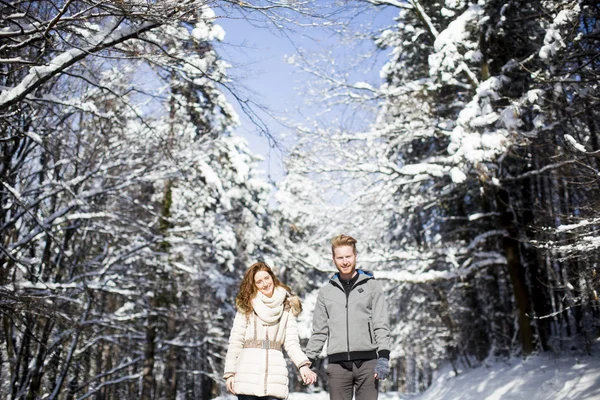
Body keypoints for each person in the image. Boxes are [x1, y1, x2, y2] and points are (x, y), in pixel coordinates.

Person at [305, 234, 391, 400]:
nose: (345, 261)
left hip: (368, 364)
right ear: (334, 259)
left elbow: (380, 323)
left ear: (355, 256)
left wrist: (384, 357)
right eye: (340, 257)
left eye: (348, 256)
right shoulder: (326, 292)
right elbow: (319, 330)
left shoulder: (372, 286)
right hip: (337, 367)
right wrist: (308, 361)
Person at [224, 262, 317, 400]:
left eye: (266, 278)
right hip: (247, 375)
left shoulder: (286, 306)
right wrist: (230, 373)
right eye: (259, 282)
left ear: (272, 277)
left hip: (275, 377)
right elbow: (235, 342)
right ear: (254, 285)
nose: (265, 284)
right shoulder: (247, 306)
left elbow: (291, 343)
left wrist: (303, 365)